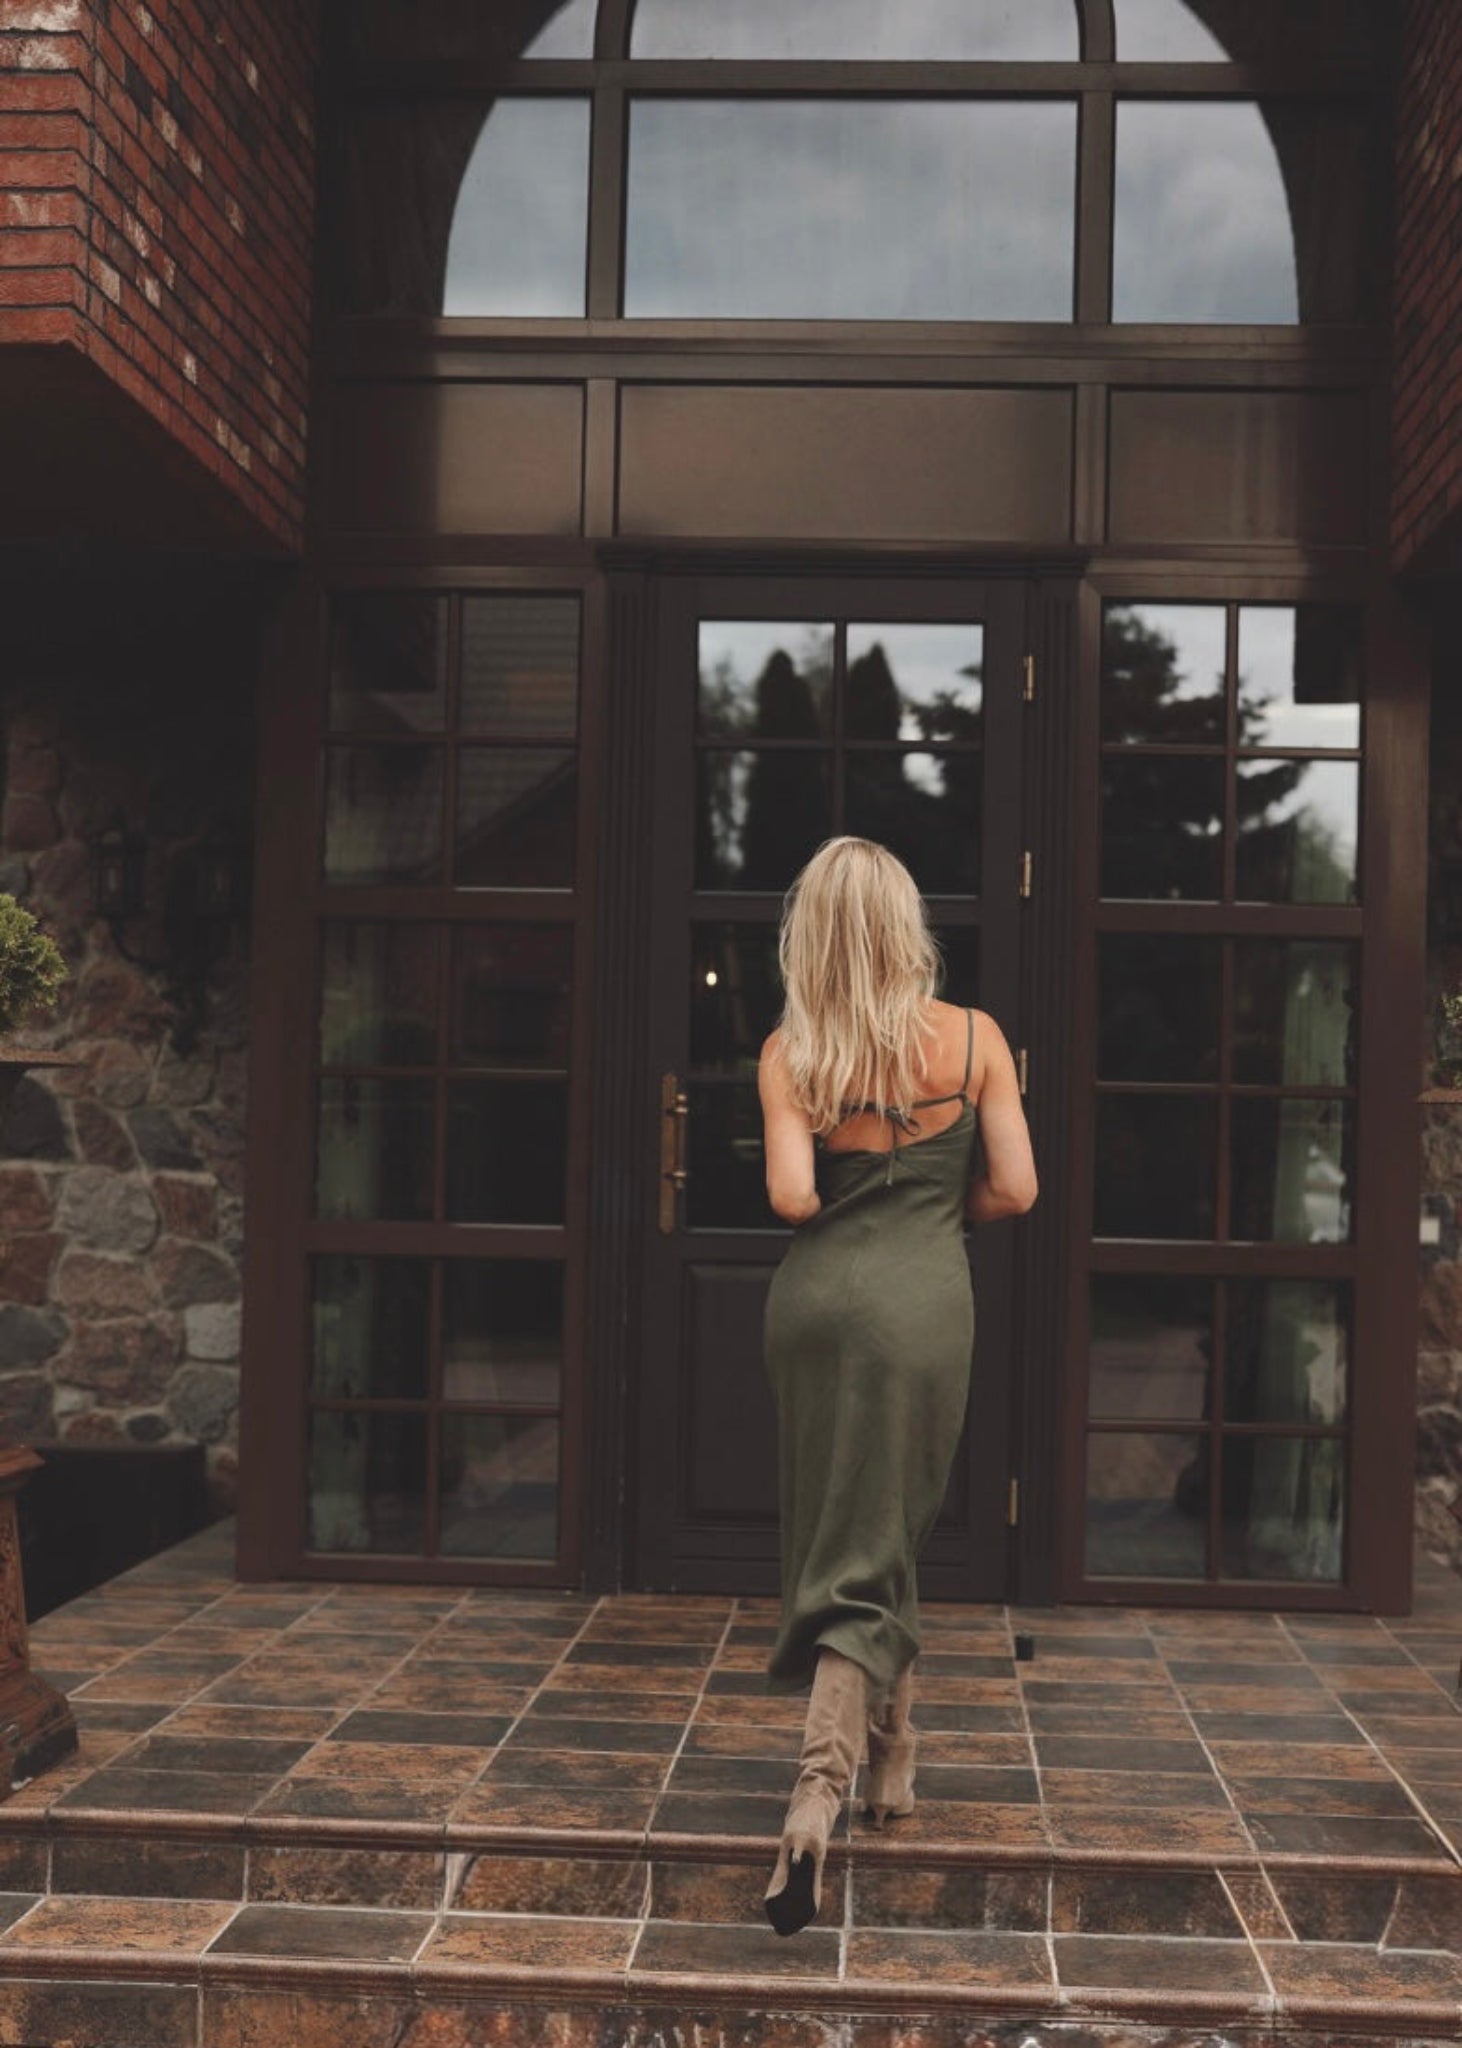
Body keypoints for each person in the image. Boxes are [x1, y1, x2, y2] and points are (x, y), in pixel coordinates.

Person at [756, 835, 1038, 1937]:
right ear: (902, 923)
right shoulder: (972, 1038)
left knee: (859, 1522)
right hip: (926, 1301)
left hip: (817, 1305)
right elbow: (1015, 1186)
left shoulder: (791, 1051)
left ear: (813, 933)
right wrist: (930, 1215)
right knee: (876, 1532)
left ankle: (893, 1767)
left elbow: (789, 1196)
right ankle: (817, 1789)